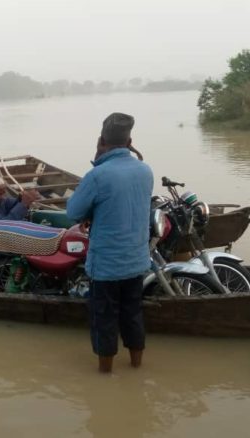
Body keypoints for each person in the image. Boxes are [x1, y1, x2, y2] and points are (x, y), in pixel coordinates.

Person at [66, 112, 153, 373]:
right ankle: (136, 366)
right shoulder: (144, 170)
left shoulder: (98, 175)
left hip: (106, 266)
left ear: (102, 140)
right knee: (132, 314)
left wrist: (97, 159)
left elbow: (73, 212)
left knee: (104, 318)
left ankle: (105, 374)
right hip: (136, 260)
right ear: (129, 141)